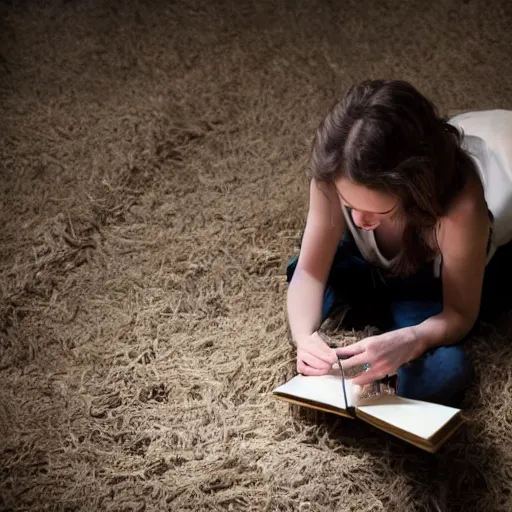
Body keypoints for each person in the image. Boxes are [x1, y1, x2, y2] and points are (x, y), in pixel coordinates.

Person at [286, 79, 512, 406]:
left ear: (414, 193)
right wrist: (305, 339)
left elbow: (460, 314)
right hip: (372, 262)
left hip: (441, 268)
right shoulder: (334, 171)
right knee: (310, 287)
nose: (360, 222)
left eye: (376, 211)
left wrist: (410, 340)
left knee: (444, 372)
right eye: (350, 207)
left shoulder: (459, 210)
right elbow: (309, 271)